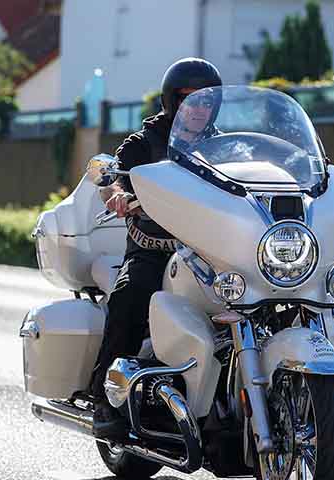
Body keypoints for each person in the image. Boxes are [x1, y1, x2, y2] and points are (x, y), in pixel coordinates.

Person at [84, 57, 223, 438]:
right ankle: (104, 400)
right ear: (172, 101)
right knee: (130, 296)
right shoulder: (144, 142)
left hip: (212, 252)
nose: (198, 108)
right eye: (188, 99)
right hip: (154, 249)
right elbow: (114, 179)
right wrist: (117, 194)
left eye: (205, 100)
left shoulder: (224, 147)